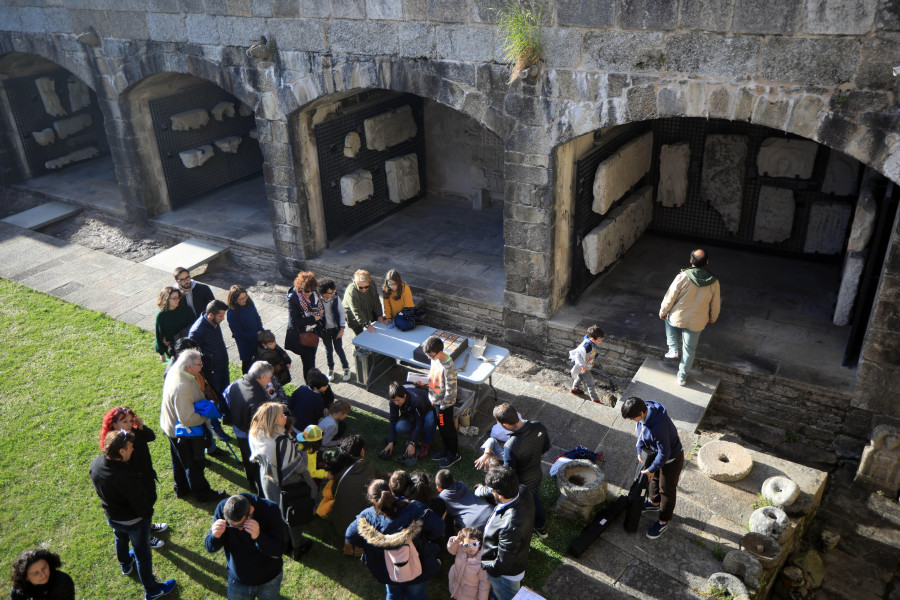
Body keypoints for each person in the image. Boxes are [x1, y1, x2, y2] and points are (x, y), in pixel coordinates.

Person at [90, 430, 177, 600]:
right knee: (142, 555)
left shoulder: (96, 465)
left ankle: (125, 564)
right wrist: (148, 515)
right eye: (130, 447)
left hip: (112, 517)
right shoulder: (126, 477)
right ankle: (152, 591)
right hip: (134, 522)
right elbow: (142, 506)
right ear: (121, 451)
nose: (133, 450)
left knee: (120, 539)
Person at [345, 479, 444, 600]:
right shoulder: (416, 509)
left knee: (393, 595)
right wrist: (424, 538)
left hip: (386, 569)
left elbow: (350, 535)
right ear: (391, 490)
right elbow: (439, 527)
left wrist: (369, 545)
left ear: (372, 501)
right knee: (416, 596)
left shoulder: (366, 517)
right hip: (419, 565)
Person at [249, 402, 316, 560]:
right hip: (289, 482)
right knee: (293, 514)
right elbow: (299, 465)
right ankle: (297, 547)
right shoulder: (281, 442)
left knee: (278, 513)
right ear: (273, 419)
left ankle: (285, 543)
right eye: (282, 415)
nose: (285, 417)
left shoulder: (256, 433)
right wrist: (304, 455)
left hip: (267, 479)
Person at [474, 403, 550, 538]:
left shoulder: (511, 446)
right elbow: (545, 447)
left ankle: (540, 527)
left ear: (505, 425)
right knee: (534, 497)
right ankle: (540, 525)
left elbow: (509, 474)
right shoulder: (538, 425)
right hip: (537, 474)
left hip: (524, 484)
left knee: (532, 502)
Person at [160, 349, 227, 502]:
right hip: (184, 431)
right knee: (194, 463)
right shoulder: (182, 388)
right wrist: (206, 415)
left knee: (178, 459)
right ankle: (202, 493)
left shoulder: (177, 370)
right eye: (199, 364)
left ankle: (182, 488)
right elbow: (187, 419)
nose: (202, 366)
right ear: (189, 367)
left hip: (171, 426)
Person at [100, 406, 167, 549]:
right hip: (134, 482)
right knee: (141, 508)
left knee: (149, 502)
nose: (129, 424)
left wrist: (141, 427)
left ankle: (149, 525)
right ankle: (146, 536)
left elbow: (151, 437)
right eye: (124, 421)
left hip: (147, 476)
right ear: (113, 425)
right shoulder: (116, 444)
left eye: (130, 420)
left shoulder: (134, 433)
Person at [621, 396, 685, 540]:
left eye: (633, 418)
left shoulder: (659, 427)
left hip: (671, 460)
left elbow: (665, 453)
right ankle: (654, 503)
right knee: (655, 480)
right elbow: (640, 429)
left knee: (666, 491)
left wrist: (652, 468)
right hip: (655, 454)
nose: (633, 421)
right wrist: (639, 448)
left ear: (642, 414)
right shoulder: (644, 409)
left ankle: (663, 521)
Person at [205, 494, 285, 600]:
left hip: (269, 580)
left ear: (251, 510)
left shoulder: (270, 509)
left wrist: (259, 536)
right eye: (232, 526)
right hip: (238, 581)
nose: (239, 530)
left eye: (241, 525)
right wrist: (214, 536)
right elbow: (210, 548)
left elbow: (278, 551)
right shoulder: (222, 508)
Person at [659, 248, 721, 386]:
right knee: (689, 349)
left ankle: (673, 348)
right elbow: (715, 304)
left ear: (691, 261)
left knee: (668, 319)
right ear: (707, 262)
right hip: (698, 322)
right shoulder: (714, 282)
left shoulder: (682, 276)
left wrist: (663, 312)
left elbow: (670, 297)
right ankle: (682, 377)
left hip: (678, 317)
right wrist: (713, 317)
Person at [480, 466, 534, 600]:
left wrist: (486, 564)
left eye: (492, 491)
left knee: (506, 596)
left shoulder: (510, 526)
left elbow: (503, 564)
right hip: (518, 554)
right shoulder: (523, 490)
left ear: (500, 494)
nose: (491, 493)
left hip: (505, 577)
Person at [224, 361, 274, 496]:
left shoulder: (237, 383)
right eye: (269, 378)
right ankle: (261, 491)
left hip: (238, 428)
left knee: (247, 458)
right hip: (250, 434)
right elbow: (260, 425)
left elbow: (226, 396)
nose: (269, 382)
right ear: (262, 377)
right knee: (257, 463)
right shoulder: (259, 398)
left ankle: (251, 482)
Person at [325, 434, 380, 550]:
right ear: (362, 451)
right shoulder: (368, 466)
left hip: (339, 523)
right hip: (359, 526)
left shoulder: (339, 469)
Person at [424, 335, 460, 468]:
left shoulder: (449, 367)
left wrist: (443, 406)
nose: (429, 358)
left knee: (447, 428)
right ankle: (446, 450)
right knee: (442, 427)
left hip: (444, 406)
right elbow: (433, 376)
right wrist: (431, 396)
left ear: (439, 352)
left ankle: (454, 453)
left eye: (431, 355)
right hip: (435, 401)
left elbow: (451, 391)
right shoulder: (435, 359)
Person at [381, 382, 437, 463]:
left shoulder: (416, 400)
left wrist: (412, 443)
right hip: (411, 413)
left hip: (427, 410)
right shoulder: (393, 402)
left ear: (404, 396)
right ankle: (414, 432)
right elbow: (393, 420)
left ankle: (426, 443)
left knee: (430, 420)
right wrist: (391, 441)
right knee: (399, 427)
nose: (396, 403)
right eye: (394, 400)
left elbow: (420, 421)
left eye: (398, 400)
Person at [284, 271, 324, 383]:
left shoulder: (314, 293)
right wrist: (314, 318)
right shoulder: (293, 298)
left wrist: (320, 315)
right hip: (301, 336)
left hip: (314, 332)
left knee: (312, 360)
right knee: (308, 363)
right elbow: (295, 321)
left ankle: (314, 382)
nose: (310, 293)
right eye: (307, 291)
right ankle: (310, 385)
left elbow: (320, 310)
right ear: (300, 288)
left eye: (312, 290)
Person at [187, 299, 231, 396]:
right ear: (211, 315)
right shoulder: (197, 331)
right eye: (221, 316)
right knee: (216, 396)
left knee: (227, 394)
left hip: (223, 366)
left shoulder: (215, 322)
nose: (223, 319)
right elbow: (193, 354)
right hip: (212, 371)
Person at [9, 549, 75, 600]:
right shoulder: (19, 589)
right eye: (35, 573)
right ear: (26, 577)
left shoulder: (62, 582)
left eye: (44, 568)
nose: (43, 575)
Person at [318, 279, 352, 382]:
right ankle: (330, 369)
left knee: (339, 349)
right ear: (323, 293)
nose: (333, 293)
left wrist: (342, 329)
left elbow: (342, 313)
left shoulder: (336, 298)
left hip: (336, 329)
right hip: (325, 330)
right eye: (330, 292)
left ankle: (346, 368)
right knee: (328, 350)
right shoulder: (317, 300)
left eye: (333, 291)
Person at [226, 285, 264, 375]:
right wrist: (256, 335)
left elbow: (257, 317)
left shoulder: (249, 303)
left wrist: (261, 330)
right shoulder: (231, 313)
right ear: (234, 299)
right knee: (247, 365)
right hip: (245, 343)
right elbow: (238, 333)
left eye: (245, 297)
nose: (244, 300)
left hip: (257, 336)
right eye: (240, 299)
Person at [447, 528, 490, 600]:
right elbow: (452, 550)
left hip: (469, 594)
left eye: (474, 544)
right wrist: (455, 541)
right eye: (467, 545)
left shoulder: (482, 562)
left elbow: (484, 584)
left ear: (480, 543)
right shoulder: (461, 548)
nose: (471, 547)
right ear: (462, 543)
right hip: (455, 584)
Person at [153, 286, 194, 361]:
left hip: (188, 346)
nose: (177, 300)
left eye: (178, 297)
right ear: (166, 299)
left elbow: (194, 326)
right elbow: (159, 335)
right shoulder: (161, 315)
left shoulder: (186, 310)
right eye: (174, 298)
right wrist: (161, 353)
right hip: (173, 350)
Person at [568, 324, 605, 403]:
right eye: (599, 340)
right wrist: (583, 366)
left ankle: (575, 388)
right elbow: (578, 354)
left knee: (579, 376)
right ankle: (595, 399)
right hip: (584, 367)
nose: (600, 342)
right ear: (592, 339)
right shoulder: (587, 346)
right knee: (591, 383)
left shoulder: (590, 342)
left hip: (584, 365)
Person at [342, 269, 384, 335]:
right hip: (352, 314)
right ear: (356, 283)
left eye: (366, 287)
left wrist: (379, 315)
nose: (364, 289)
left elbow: (376, 299)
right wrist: (367, 325)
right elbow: (356, 310)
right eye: (360, 287)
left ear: (369, 282)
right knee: (358, 334)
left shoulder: (372, 284)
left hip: (366, 306)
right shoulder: (351, 292)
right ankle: (357, 345)